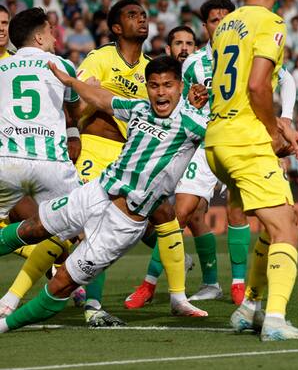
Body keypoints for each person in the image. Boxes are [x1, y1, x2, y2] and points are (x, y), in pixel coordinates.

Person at [0, 55, 210, 334]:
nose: (161, 92)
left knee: (62, 282)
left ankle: (4, 324)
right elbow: (101, 99)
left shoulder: (193, 124)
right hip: (96, 193)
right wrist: (71, 82)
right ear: (146, 87)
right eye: (154, 85)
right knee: (33, 228)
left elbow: (226, 135)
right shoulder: (138, 108)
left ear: (180, 86)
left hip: (122, 224)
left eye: (168, 85)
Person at [124, 0, 298, 307]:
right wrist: (193, 98)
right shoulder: (193, 63)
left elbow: (286, 80)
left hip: (242, 139)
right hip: (206, 143)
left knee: (237, 211)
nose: (220, 25)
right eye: (214, 21)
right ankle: (149, 283)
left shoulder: (247, 51)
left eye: (225, 19)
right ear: (206, 26)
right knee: (180, 213)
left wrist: (286, 118)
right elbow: (183, 102)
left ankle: (239, 285)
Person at [204, 0, 298, 341]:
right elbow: (255, 85)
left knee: (278, 221)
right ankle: (275, 320)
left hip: (217, 140)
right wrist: (275, 131)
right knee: (287, 229)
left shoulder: (225, 25)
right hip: (246, 140)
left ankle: (249, 306)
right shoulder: (271, 23)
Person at [0, 8, 83, 318]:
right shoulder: (62, 65)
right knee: (78, 232)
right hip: (51, 164)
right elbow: (75, 109)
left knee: (27, 232)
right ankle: (93, 306)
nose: (55, 36)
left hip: (7, 162)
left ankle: (8, 300)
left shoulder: (2, 68)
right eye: (50, 30)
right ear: (38, 36)